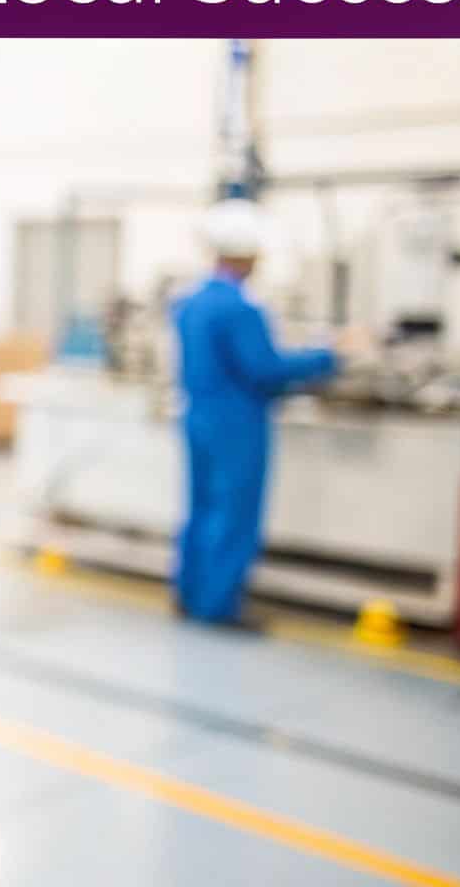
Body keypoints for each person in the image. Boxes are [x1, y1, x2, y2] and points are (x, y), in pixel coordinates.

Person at [172, 200, 340, 627]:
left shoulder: (191, 303)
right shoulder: (241, 308)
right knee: (234, 513)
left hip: (197, 416)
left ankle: (189, 593)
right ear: (248, 254)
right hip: (237, 422)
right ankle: (218, 607)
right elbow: (265, 368)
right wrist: (327, 356)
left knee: (201, 507)